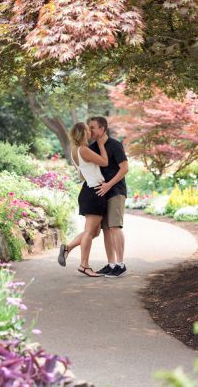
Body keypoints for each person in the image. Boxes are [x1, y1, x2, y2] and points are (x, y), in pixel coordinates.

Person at [57, 122, 109, 277]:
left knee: (95, 232)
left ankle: (68, 247)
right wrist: (101, 145)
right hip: (94, 191)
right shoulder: (84, 150)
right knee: (89, 232)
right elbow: (105, 162)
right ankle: (84, 265)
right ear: (84, 133)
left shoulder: (74, 151)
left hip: (89, 190)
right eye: (88, 129)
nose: (90, 131)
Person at [87, 116, 129, 278]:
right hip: (101, 194)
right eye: (89, 127)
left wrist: (109, 185)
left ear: (102, 129)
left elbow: (124, 168)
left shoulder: (115, 145)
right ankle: (111, 264)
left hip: (116, 191)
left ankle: (120, 264)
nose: (90, 130)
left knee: (114, 227)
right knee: (106, 229)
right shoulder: (91, 148)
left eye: (93, 127)